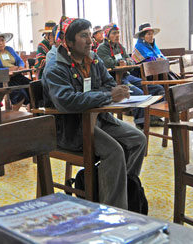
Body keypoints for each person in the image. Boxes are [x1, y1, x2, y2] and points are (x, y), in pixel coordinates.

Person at [42, 17, 146, 209]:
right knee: (114, 151)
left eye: (91, 35)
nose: (91, 41)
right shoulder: (55, 67)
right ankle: (114, 211)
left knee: (138, 139)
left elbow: (109, 83)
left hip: (99, 118)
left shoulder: (94, 59)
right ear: (69, 42)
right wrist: (106, 95)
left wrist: (105, 94)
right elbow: (67, 101)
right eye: (84, 36)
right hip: (71, 127)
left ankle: (117, 189)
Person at [97, 24, 165, 128]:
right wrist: (121, 62)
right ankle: (141, 122)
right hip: (114, 79)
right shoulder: (102, 49)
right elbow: (108, 63)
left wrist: (123, 63)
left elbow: (131, 62)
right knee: (139, 93)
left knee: (158, 89)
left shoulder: (120, 47)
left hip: (126, 76)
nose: (117, 35)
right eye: (114, 33)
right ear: (107, 35)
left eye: (118, 33)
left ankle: (153, 118)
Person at [0, 31, 30, 111]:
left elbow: (20, 61)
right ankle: (14, 114)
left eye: (2, 40)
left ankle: (33, 113)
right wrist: (8, 70)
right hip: (2, 79)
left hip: (16, 76)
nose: (1, 43)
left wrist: (20, 67)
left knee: (31, 86)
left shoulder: (9, 49)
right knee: (20, 93)